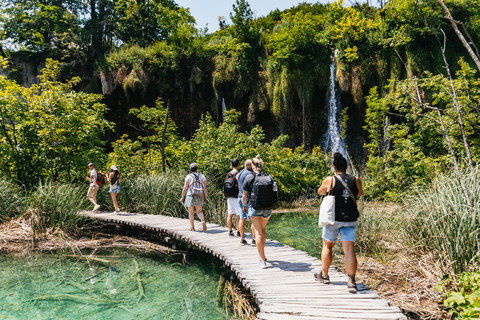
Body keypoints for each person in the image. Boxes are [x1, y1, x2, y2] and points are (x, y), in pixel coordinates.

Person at [314, 152, 363, 293]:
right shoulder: (356, 179)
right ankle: (351, 281)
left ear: (334, 167)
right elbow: (359, 193)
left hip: (333, 219)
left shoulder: (330, 179)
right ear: (347, 166)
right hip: (350, 219)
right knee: (349, 250)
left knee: (327, 246)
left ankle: (324, 275)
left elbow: (320, 192)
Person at [242, 155, 276, 269]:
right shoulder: (269, 177)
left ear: (252, 165)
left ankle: (262, 260)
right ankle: (263, 255)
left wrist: (243, 206)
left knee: (258, 232)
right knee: (262, 229)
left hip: (255, 208)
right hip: (268, 208)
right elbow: (275, 191)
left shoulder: (250, 177)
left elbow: (244, 195)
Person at [180, 163, 207, 232]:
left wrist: (182, 197)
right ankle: (203, 220)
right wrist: (205, 197)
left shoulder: (188, 176)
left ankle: (192, 227)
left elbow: (185, 188)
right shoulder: (201, 176)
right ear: (197, 168)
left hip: (190, 195)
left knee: (191, 212)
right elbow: (205, 188)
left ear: (190, 169)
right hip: (200, 194)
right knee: (199, 211)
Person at [237, 159, 256, 246]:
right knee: (253, 218)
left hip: (240, 197)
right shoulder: (249, 174)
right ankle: (254, 239)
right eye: (251, 165)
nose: (252, 167)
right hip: (247, 198)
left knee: (242, 218)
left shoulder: (239, 173)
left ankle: (242, 239)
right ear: (248, 165)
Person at [225, 158, 241, 238]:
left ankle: (230, 231)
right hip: (236, 196)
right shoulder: (237, 174)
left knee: (230, 214)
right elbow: (239, 185)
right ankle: (238, 231)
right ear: (238, 165)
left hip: (229, 196)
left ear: (231, 165)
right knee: (238, 215)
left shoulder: (228, 174)